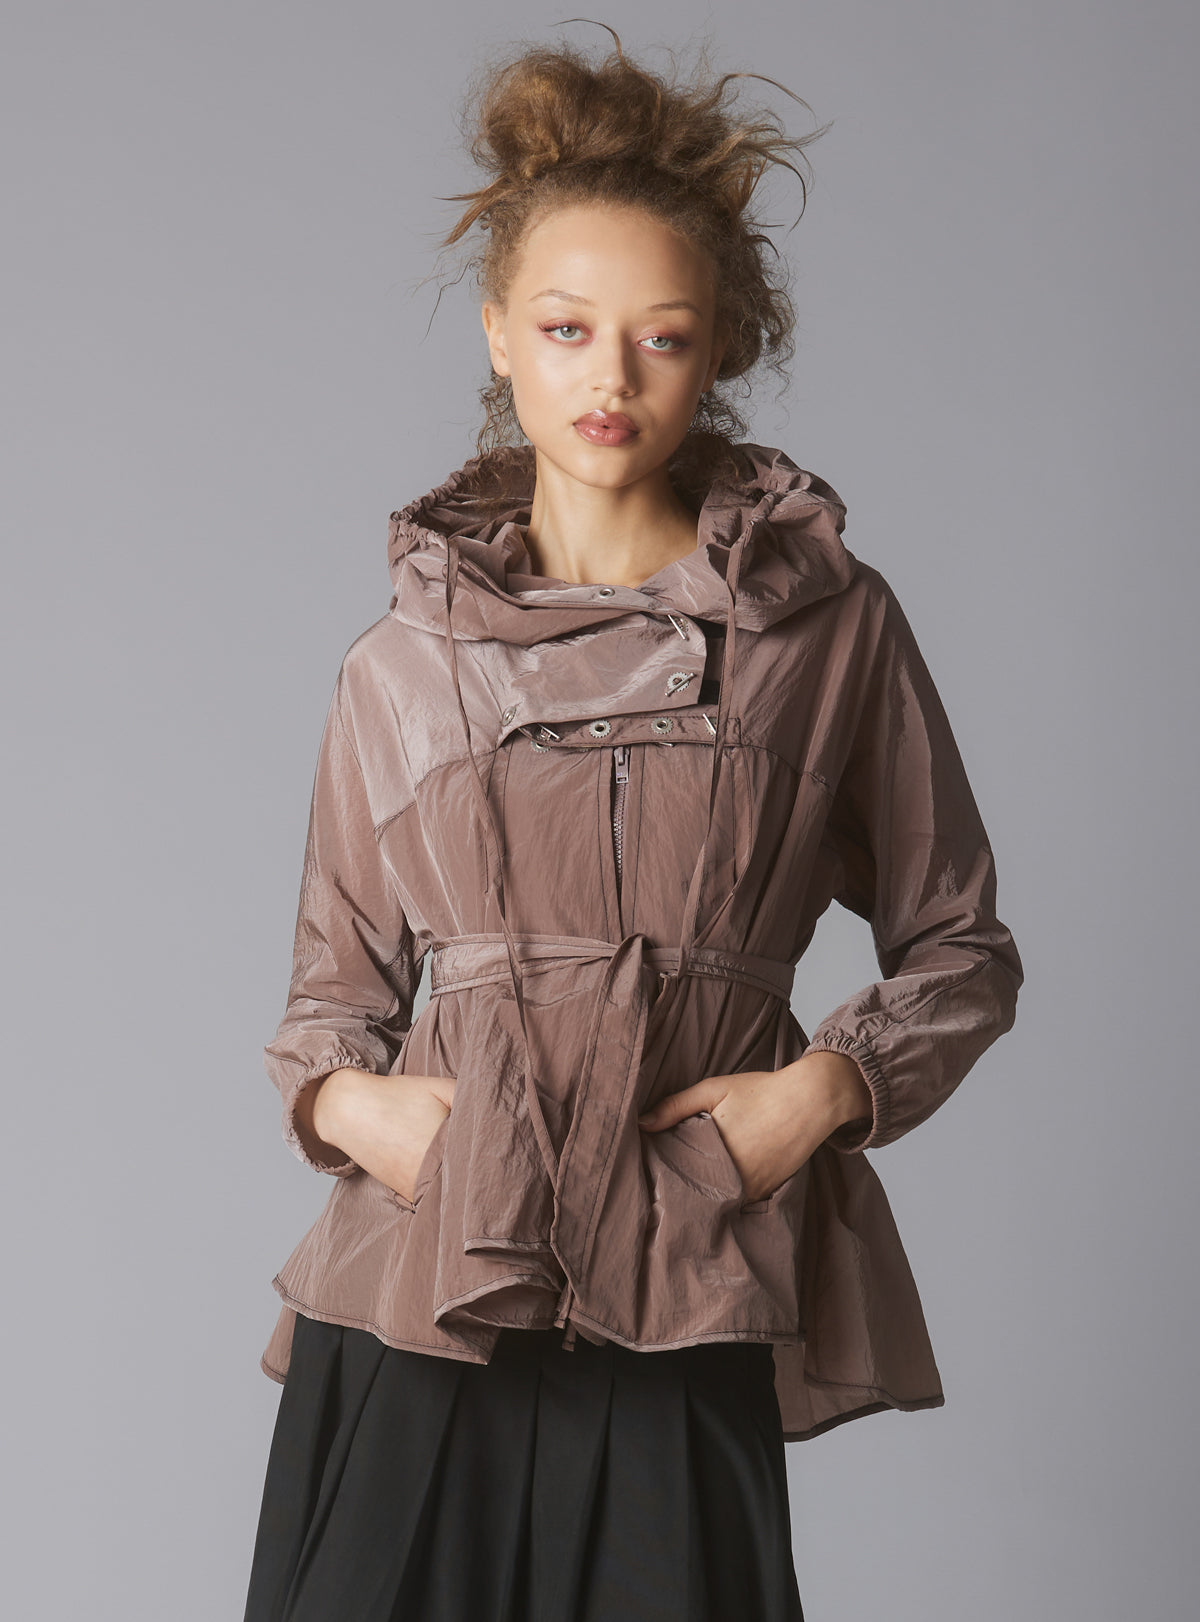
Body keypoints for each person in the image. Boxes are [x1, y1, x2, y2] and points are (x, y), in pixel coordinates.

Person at [241, 23, 1023, 1622]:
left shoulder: (825, 629)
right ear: (500, 333)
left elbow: (962, 947)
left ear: (719, 346)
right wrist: (353, 1111)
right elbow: (330, 998)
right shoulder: (401, 659)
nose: (611, 377)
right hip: (428, 1288)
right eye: (567, 328)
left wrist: (818, 1096)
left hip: (683, 1263)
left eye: (661, 337)